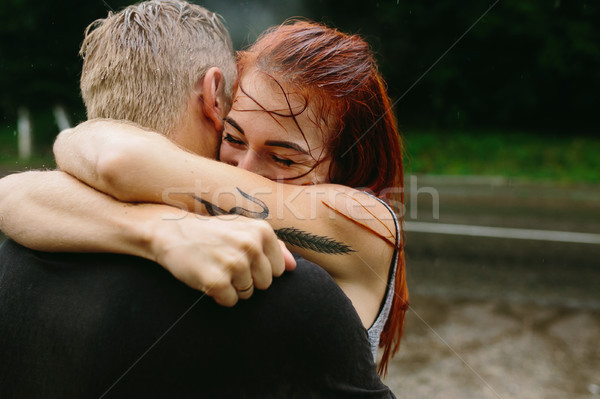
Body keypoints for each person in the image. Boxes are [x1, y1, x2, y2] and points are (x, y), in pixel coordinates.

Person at [0, 1, 395, 397]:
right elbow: (11, 193)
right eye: (234, 137)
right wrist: (156, 230)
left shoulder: (365, 222)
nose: (242, 172)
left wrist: (76, 137)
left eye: (284, 158)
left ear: (346, 166)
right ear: (216, 102)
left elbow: (116, 161)